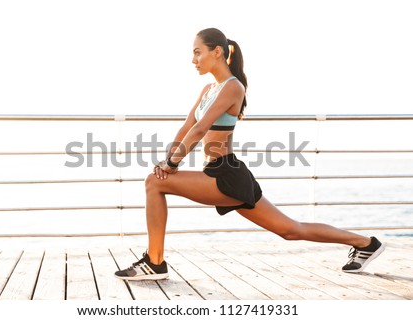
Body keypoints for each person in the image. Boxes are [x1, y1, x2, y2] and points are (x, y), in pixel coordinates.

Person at [114, 28, 385, 281]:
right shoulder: (208, 90)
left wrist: (171, 164)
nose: (193, 59)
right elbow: (186, 127)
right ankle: (365, 243)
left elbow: (199, 129)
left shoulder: (233, 87)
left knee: (154, 183)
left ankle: (155, 262)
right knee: (291, 230)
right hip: (220, 173)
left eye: (198, 52)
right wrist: (166, 161)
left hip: (226, 174)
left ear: (217, 52)